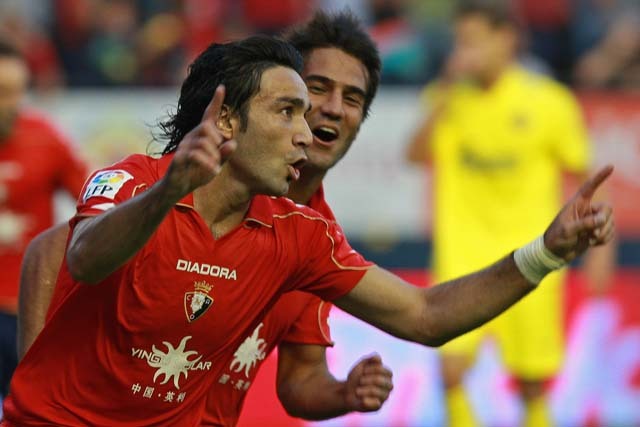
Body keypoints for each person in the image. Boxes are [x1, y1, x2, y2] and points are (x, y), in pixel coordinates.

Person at [3, 33, 612, 426]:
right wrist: (169, 192)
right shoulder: (135, 179)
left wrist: (548, 252)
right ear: (227, 120)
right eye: (290, 109)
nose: (309, 129)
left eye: (347, 100)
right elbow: (76, 255)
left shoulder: (302, 235)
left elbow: (426, 316)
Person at [16, 11, 394, 426]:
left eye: (353, 98)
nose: (332, 109)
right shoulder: (175, 188)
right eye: (316, 90)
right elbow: (53, 249)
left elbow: (301, 379)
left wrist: (344, 394)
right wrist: (39, 395)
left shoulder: (317, 238)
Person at [406, 1, 616, 426]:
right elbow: (415, 154)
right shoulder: (448, 99)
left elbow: (590, 177)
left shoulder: (550, 102)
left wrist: (601, 252)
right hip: (463, 257)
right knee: (450, 370)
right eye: (460, 42)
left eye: (473, 41)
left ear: (507, 39)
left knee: (532, 384)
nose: (464, 51)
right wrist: (445, 92)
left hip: (532, 256)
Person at [0, 39, 87, 401]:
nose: (11, 103)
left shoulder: (45, 140)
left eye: (18, 91)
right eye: (2, 92)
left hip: (22, 311)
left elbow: (96, 207)